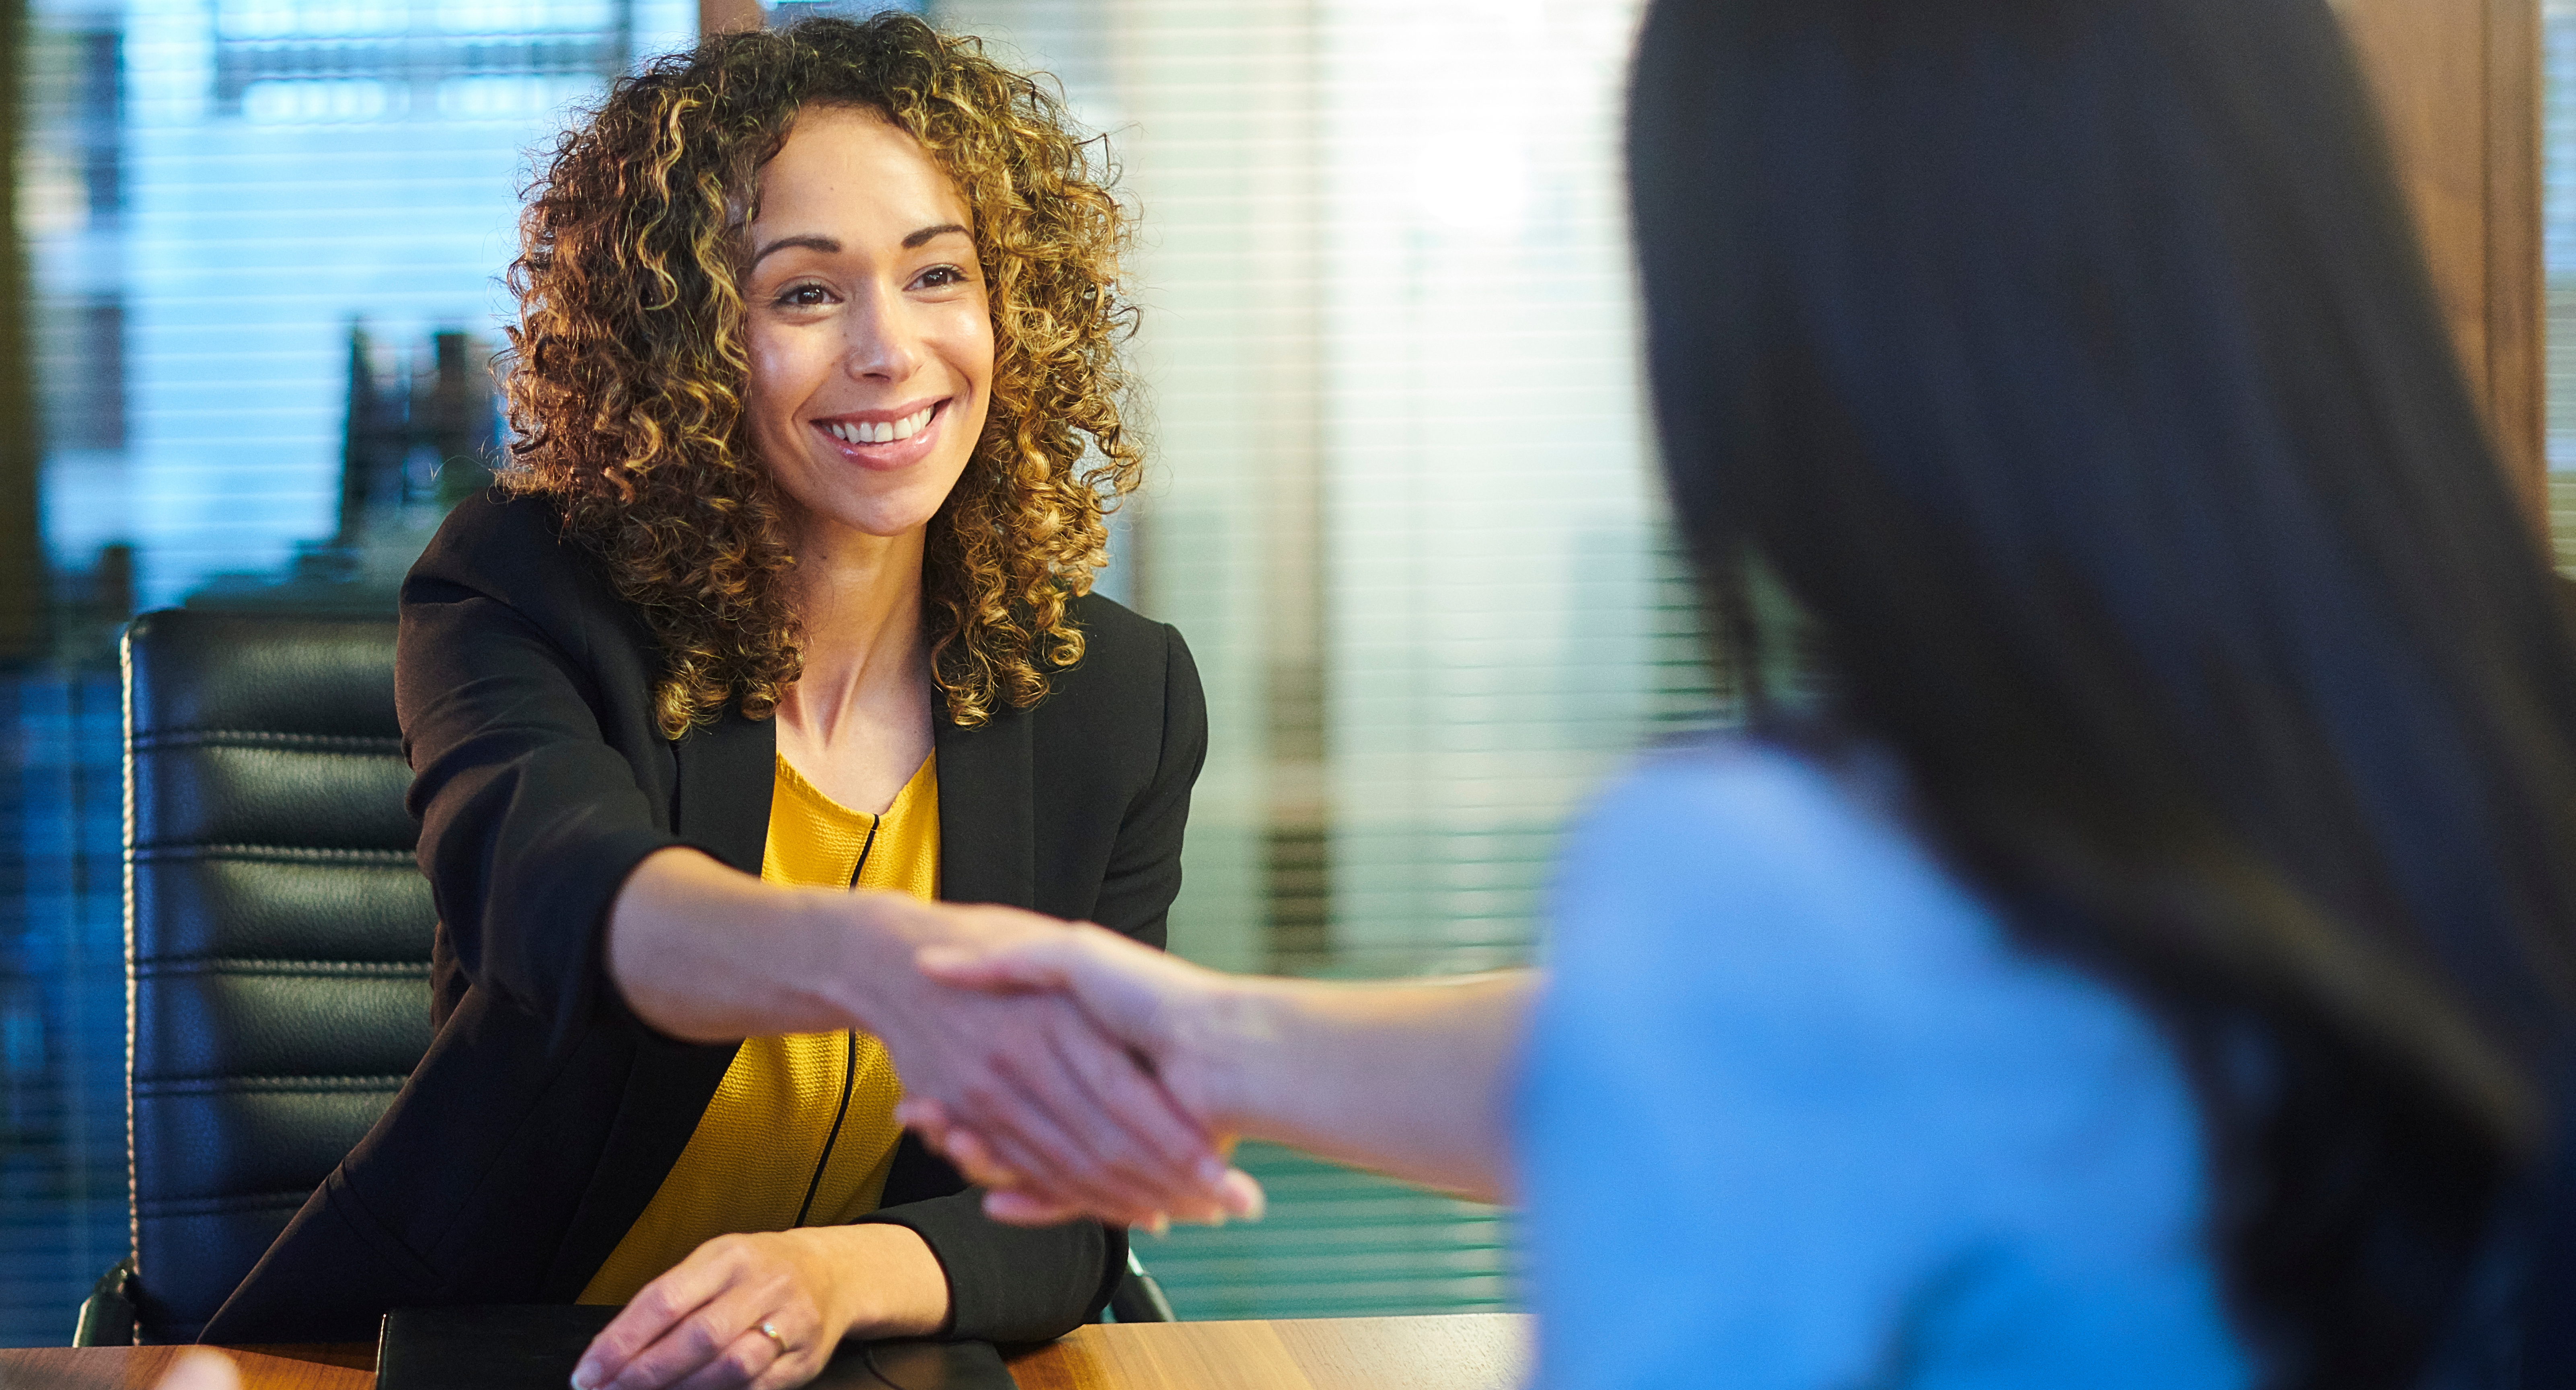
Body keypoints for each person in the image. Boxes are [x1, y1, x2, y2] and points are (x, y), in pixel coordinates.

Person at [898, 0, 2576, 1385]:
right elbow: (1897, 1050)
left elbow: (1805, 1017)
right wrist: (1219, 1043)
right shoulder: (2463, 746)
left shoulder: (1771, 872)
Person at [199, 16, 1250, 1388]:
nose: (891, 350)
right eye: (804, 295)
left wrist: (836, 1274)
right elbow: (562, 903)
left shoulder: (1114, 694)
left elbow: (1071, 1210)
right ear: (685, 342)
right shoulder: (520, 591)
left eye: (939, 275)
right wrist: (878, 963)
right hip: (447, 1350)